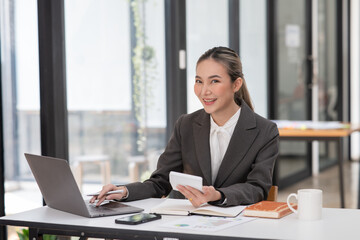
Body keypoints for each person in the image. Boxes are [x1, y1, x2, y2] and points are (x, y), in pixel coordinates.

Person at [90, 46, 279, 208]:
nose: (204, 91)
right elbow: (160, 183)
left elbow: (257, 188)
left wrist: (218, 195)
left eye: (214, 81)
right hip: (186, 225)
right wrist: (123, 191)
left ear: (236, 84)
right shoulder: (186, 125)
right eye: (199, 81)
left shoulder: (265, 131)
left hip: (236, 227)